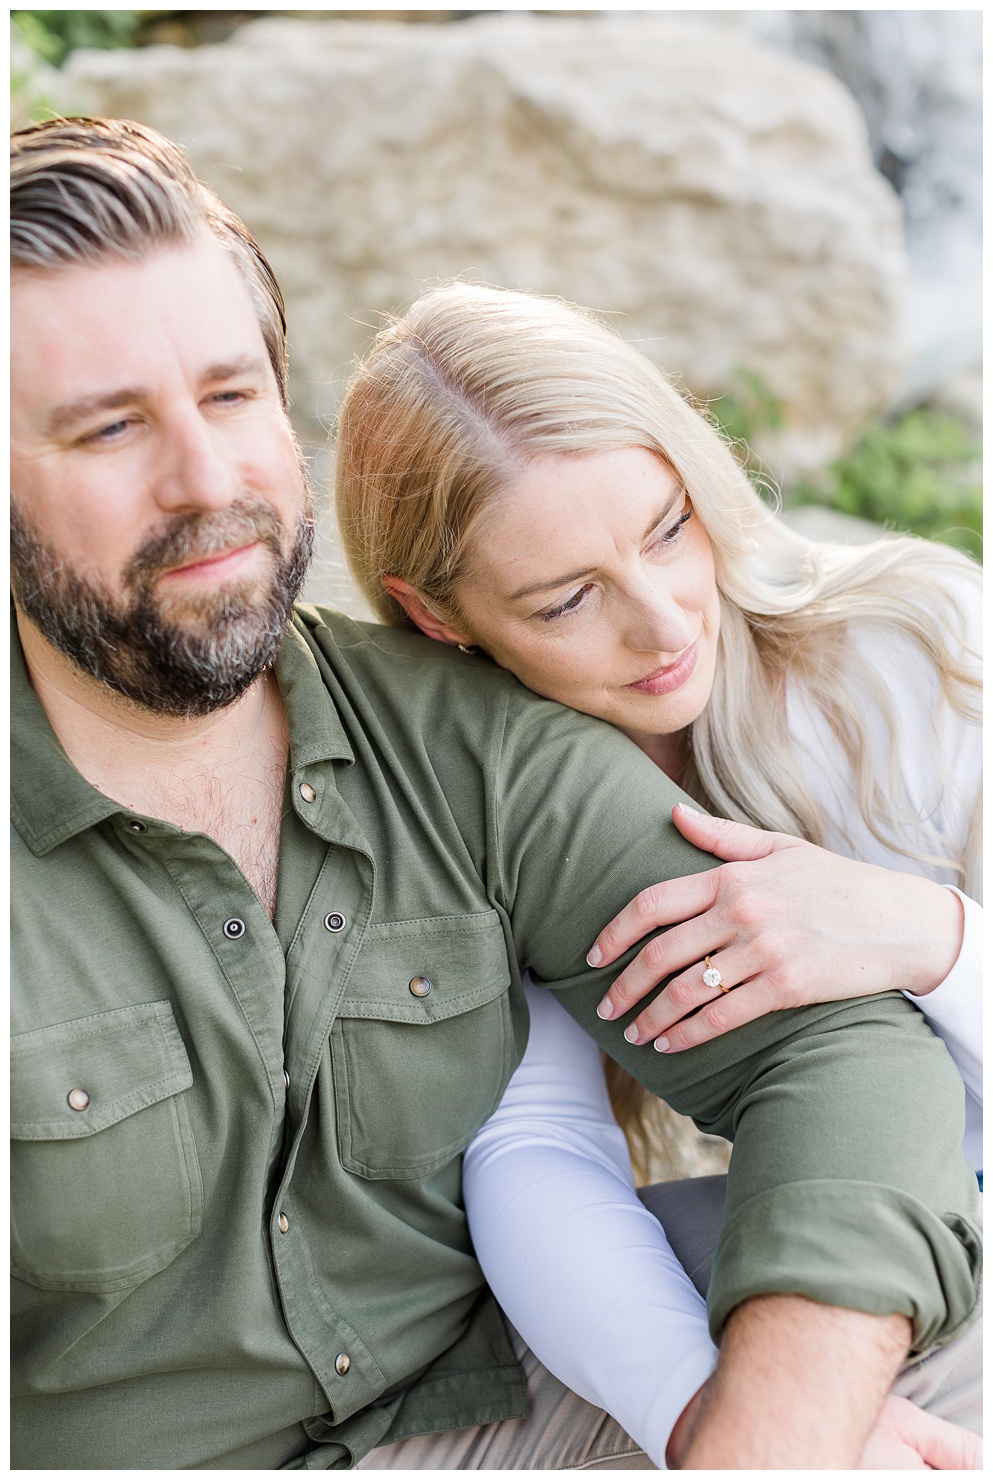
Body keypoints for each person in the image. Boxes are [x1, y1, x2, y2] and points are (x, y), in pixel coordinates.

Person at [10, 118, 980, 1472]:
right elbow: (538, 1144)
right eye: (110, 428)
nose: (208, 482)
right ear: (451, 614)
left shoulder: (481, 739)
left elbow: (841, 1059)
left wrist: (761, 1432)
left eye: (232, 397)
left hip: (491, 1416)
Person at [332, 281, 983, 1466]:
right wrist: (727, 1412)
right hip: (796, 1236)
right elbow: (534, 1145)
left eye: (666, 528)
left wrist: (931, 936)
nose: (664, 620)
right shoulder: (478, 785)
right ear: (437, 620)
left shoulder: (924, 656)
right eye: (567, 598)